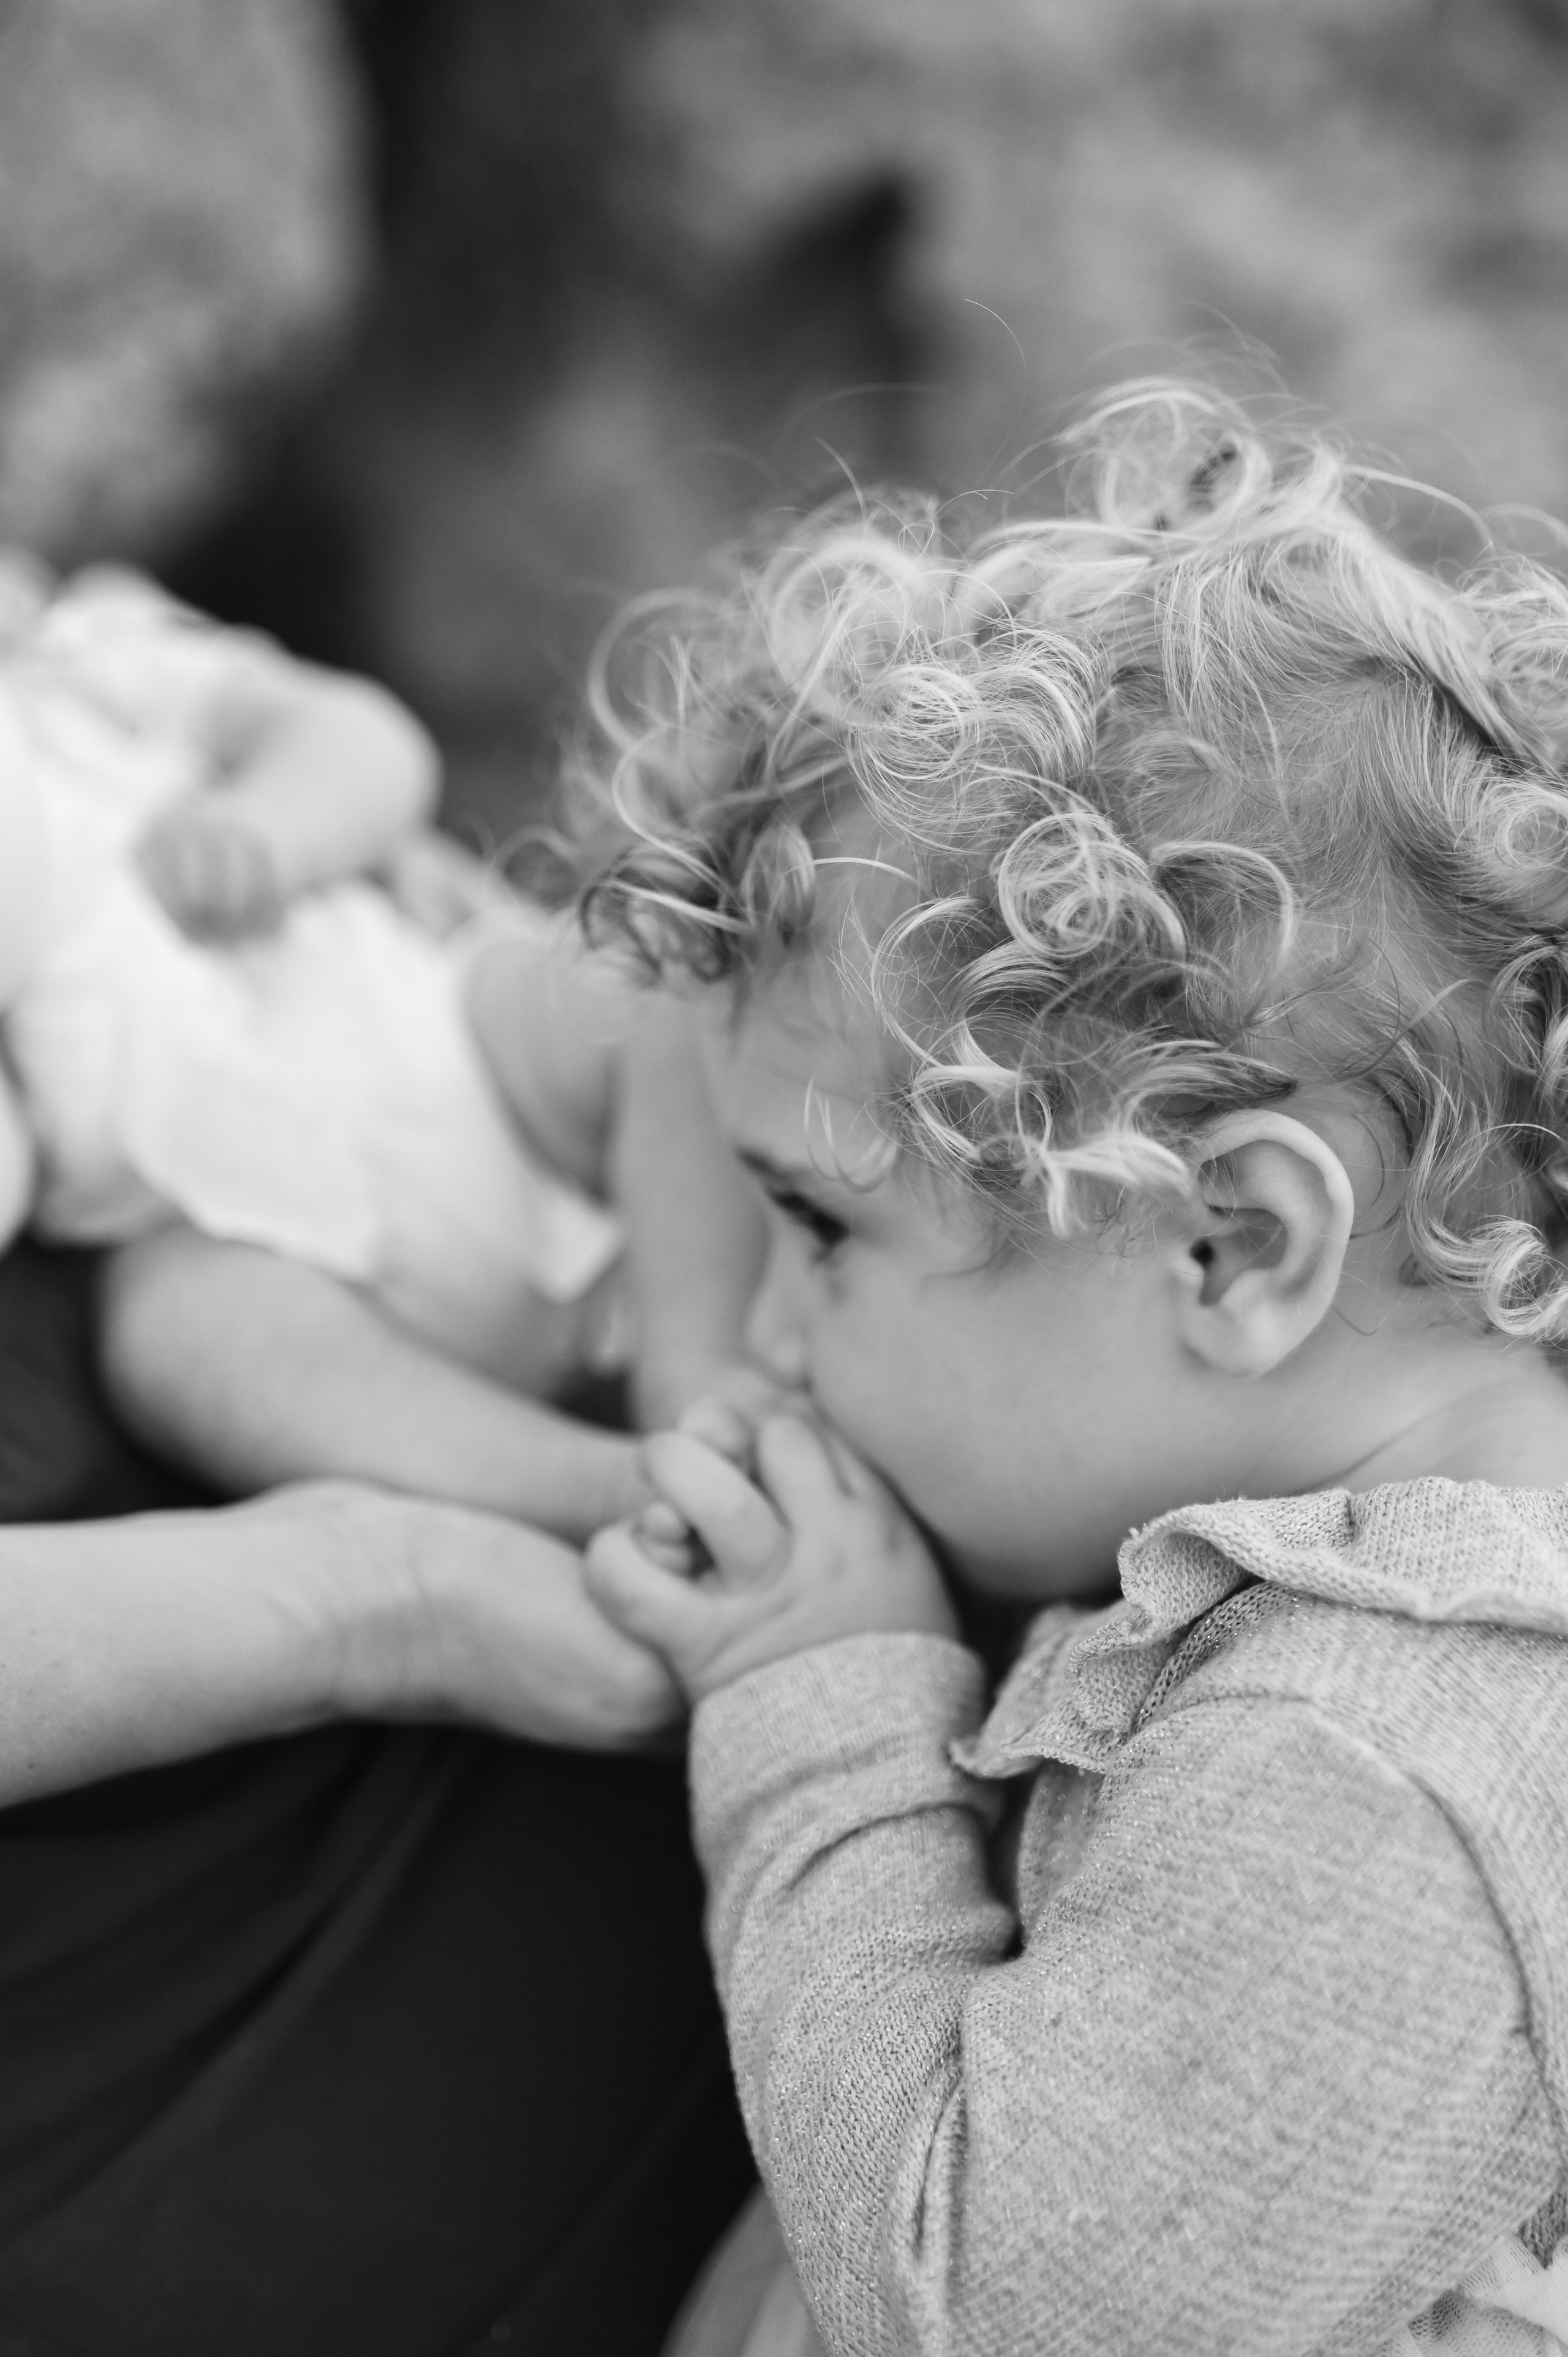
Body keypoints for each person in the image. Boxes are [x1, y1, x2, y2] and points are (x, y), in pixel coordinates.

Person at [573, 384, 1568, 2353]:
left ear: (1233, 1244)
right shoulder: (1346, 1555)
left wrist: (822, 1713)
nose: (775, 1332)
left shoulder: (1378, 1779)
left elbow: (995, 2308)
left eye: (826, 1230)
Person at [0, 556, 761, 1541]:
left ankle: (698, 1377)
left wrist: (275, 823)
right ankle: (599, 1489)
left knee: (641, 990)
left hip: (448, 1040)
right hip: (245, 1238)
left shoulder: (88, 662)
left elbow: (370, 745)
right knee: (171, 1341)